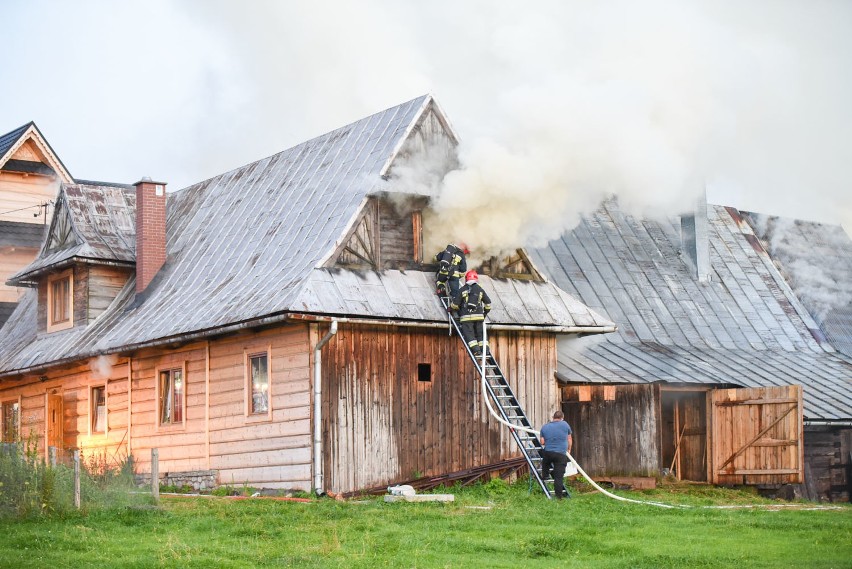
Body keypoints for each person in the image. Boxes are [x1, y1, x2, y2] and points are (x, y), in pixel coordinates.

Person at [450, 270, 492, 357]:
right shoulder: (480, 290)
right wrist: (485, 313)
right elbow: (488, 303)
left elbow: (455, 305)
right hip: (479, 317)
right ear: (476, 278)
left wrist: (452, 307)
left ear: (466, 279)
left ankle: (476, 350)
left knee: (469, 334)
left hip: (466, 318)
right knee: (481, 334)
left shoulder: (462, 290)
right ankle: (486, 350)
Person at [539, 410, 573, 500]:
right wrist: (569, 449)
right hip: (560, 454)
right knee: (558, 477)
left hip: (548, 452)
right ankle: (559, 497)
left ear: (553, 418)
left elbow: (542, 442)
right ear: (562, 418)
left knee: (545, 463)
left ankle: (545, 475)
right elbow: (569, 438)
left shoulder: (545, 427)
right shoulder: (565, 425)